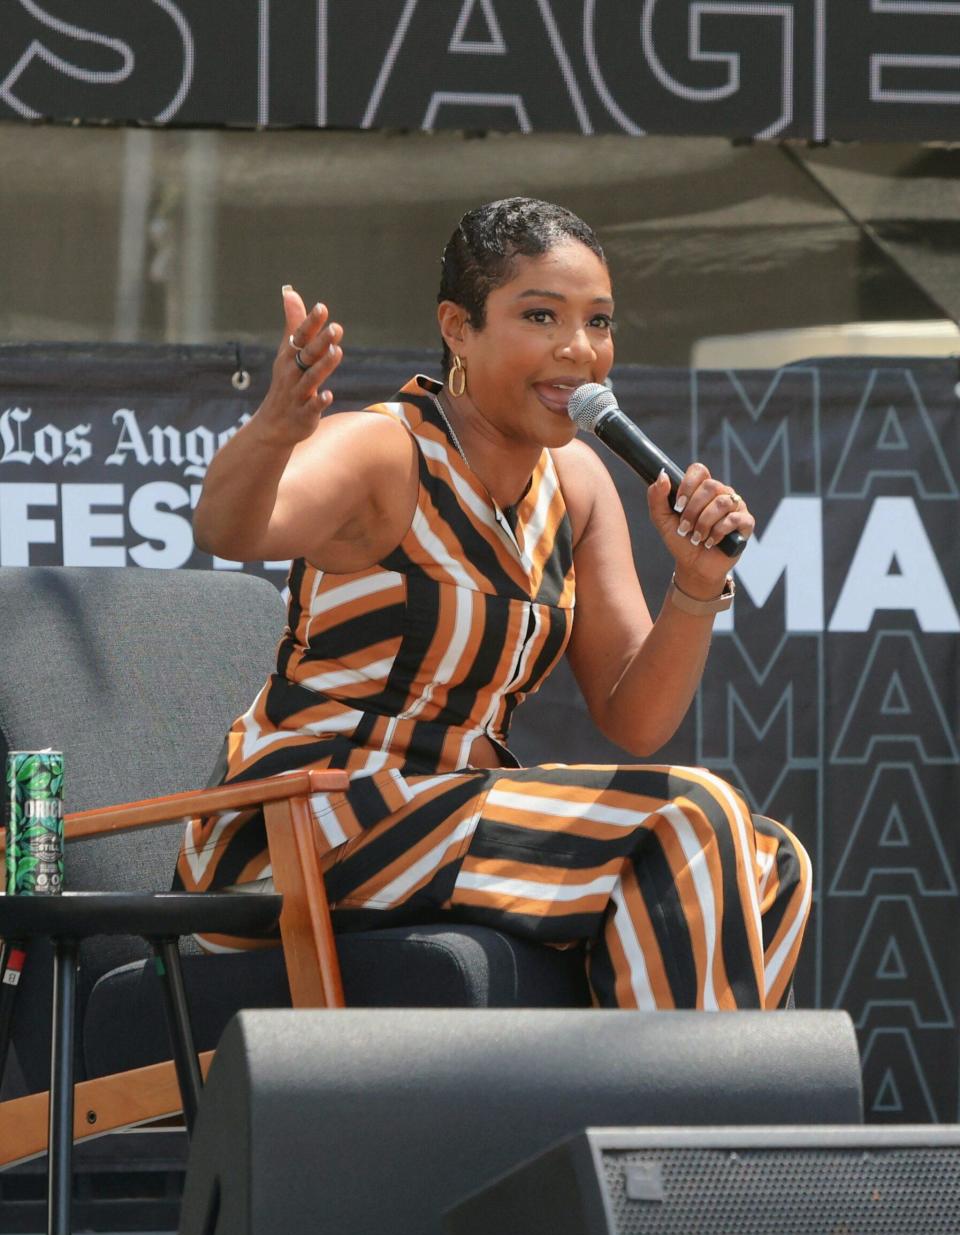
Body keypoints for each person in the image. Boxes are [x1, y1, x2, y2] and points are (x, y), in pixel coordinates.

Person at [175, 197, 810, 1009]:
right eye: (540, 316)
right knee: (692, 814)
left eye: (600, 322)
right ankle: (681, 1130)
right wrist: (274, 428)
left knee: (772, 864)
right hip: (304, 824)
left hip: (453, 814)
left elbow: (635, 718)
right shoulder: (387, 448)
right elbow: (231, 527)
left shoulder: (578, 483)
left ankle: (618, 1113)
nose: (579, 351)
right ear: (458, 327)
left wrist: (692, 585)